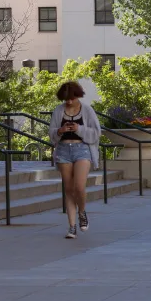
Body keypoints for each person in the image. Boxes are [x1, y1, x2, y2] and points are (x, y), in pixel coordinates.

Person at [48, 81, 102, 239]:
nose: (69, 102)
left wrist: (79, 129)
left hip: (82, 149)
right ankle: (72, 227)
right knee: (69, 189)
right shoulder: (58, 111)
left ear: (77, 95)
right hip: (63, 150)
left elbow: (96, 132)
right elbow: (51, 133)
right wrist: (60, 130)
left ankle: (82, 211)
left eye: (72, 98)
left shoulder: (87, 110)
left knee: (79, 186)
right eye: (66, 99)